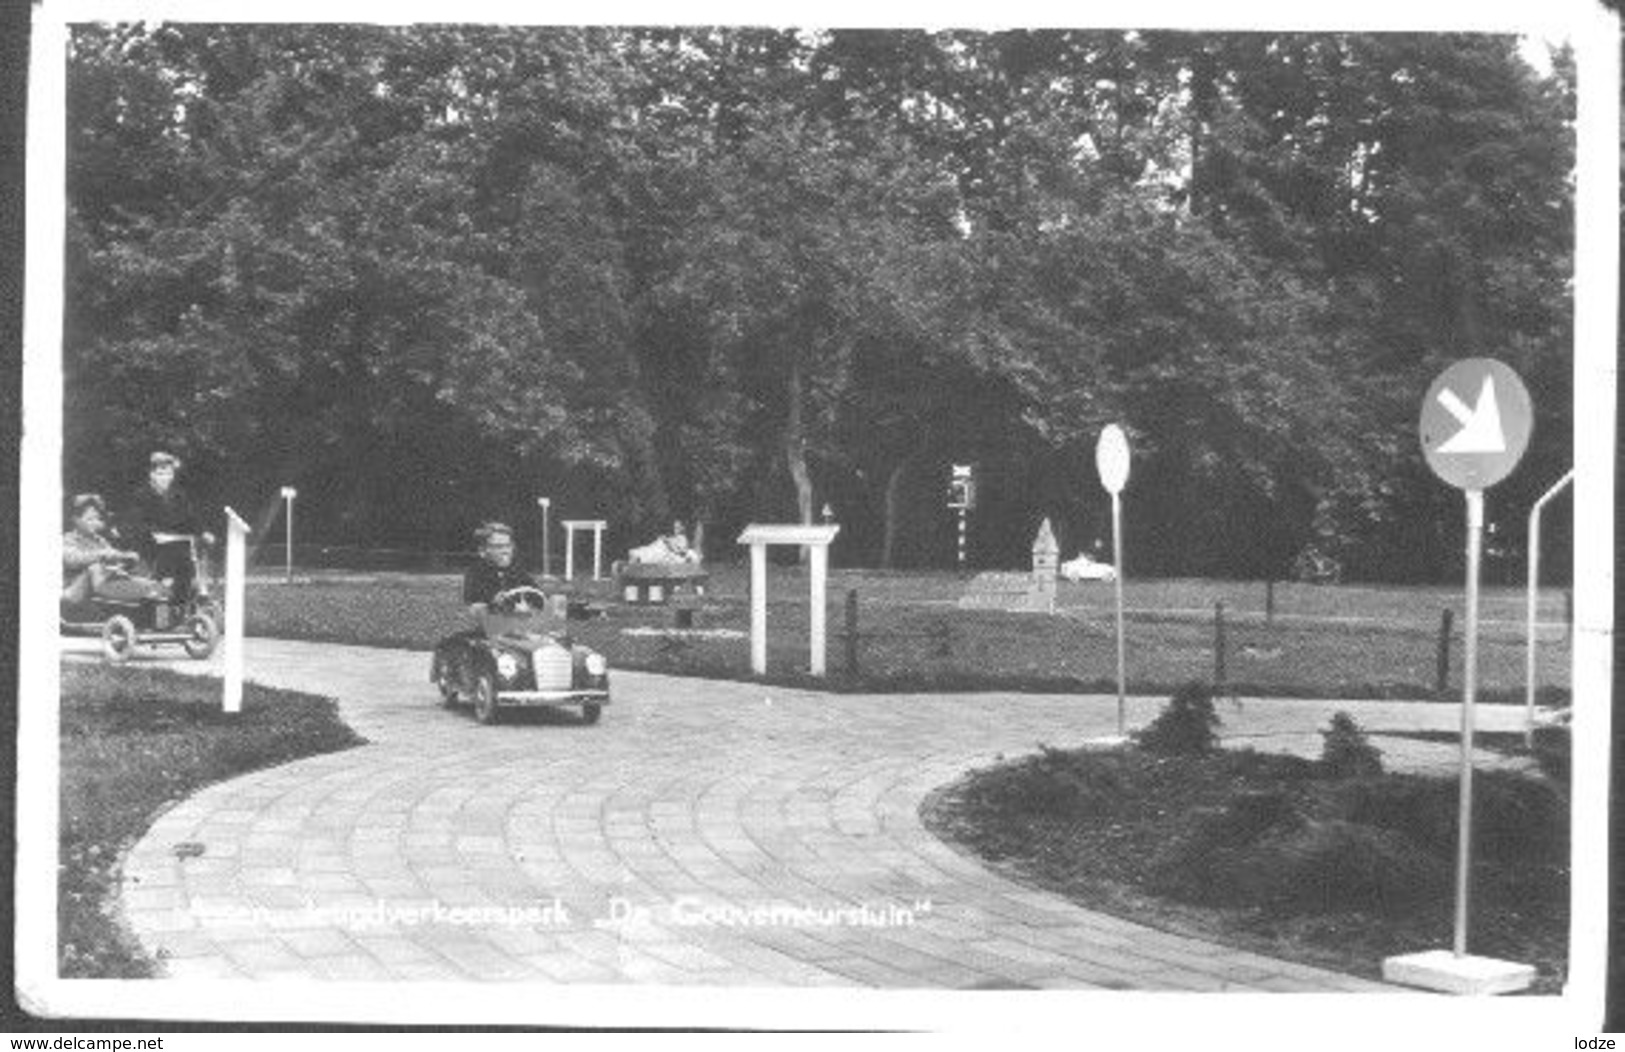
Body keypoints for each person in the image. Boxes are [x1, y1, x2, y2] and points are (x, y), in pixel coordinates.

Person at [124, 451, 214, 601]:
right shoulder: (142, 496)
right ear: (151, 475)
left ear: (172, 475)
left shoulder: (178, 496)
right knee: (171, 559)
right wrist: (153, 534)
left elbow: (190, 518)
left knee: (190, 557)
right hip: (151, 543)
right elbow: (136, 522)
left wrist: (203, 531)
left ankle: (188, 595)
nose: (164, 478)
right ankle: (162, 594)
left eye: (168, 474)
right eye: (160, 474)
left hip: (177, 541)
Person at [62, 494, 164, 605]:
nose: (95, 523)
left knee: (149, 580)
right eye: (89, 519)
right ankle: (139, 592)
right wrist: (103, 555)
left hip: (99, 588)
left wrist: (126, 557)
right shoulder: (67, 539)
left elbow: (113, 556)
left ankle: (150, 590)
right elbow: (71, 559)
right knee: (95, 568)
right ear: (76, 520)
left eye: (97, 519)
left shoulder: (100, 541)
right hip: (75, 591)